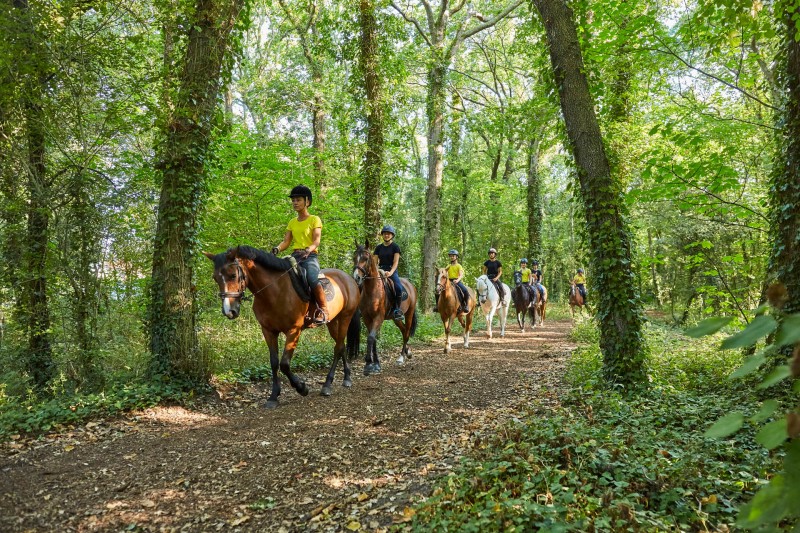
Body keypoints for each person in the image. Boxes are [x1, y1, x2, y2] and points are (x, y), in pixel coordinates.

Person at [271, 185, 328, 327]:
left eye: (298, 200)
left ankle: (323, 309)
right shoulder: (292, 222)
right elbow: (286, 241)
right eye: (293, 200)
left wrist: (309, 249)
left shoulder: (315, 219)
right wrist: (277, 249)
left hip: (310, 256)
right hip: (295, 256)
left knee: (312, 278)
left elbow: (316, 241)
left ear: (307, 201)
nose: (295, 202)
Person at [374, 225, 404, 321]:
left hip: (391, 271)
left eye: (388, 234)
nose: (386, 235)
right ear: (382, 235)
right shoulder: (378, 248)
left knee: (398, 288)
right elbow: (375, 263)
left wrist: (390, 272)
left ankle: (397, 310)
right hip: (380, 270)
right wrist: (377, 270)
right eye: (385, 233)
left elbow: (396, 262)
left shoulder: (395, 247)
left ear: (392, 235)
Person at [442, 249, 470, 313]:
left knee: (465, 291)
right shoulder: (448, 266)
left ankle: (466, 305)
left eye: (453, 256)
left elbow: (461, 275)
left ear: (456, 257)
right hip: (449, 281)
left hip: (456, 281)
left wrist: (457, 280)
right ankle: (437, 306)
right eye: (450, 256)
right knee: (439, 290)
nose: (451, 257)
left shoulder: (459, 266)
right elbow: (444, 274)